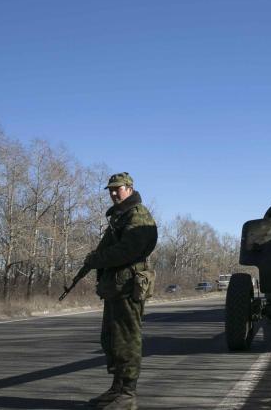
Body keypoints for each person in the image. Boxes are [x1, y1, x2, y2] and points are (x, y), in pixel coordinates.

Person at [84, 172, 157, 410]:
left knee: (127, 341)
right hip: (116, 287)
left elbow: (128, 250)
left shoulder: (138, 216)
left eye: (118, 188)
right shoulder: (120, 216)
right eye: (111, 190)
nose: (114, 193)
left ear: (129, 188)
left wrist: (99, 259)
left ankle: (127, 394)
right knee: (111, 340)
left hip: (128, 288)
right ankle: (117, 388)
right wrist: (96, 260)